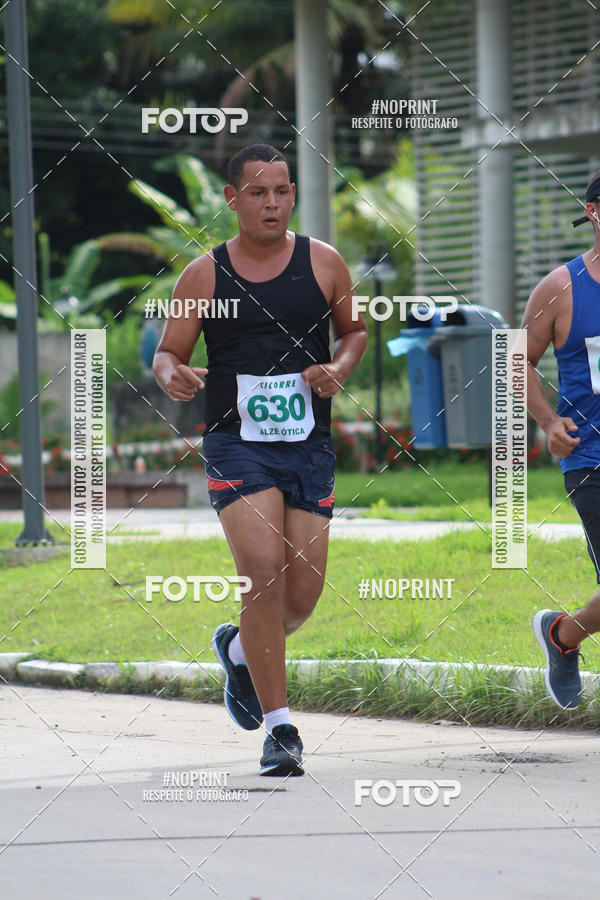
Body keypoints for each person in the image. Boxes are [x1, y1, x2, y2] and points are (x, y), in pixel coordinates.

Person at [153, 144, 368, 774]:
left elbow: (354, 331)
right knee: (263, 571)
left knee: (301, 596)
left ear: (292, 195)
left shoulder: (323, 262)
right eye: (257, 192)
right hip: (234, 440)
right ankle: (280, 731)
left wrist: (341, 367)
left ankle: (241, 654)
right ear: (232, 198)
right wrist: (171, 375)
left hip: (308, 446)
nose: (271, 203)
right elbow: (169, 351)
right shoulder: (205, 275)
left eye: (281, 191)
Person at [524, 171, 600, 709]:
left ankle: (562, 634)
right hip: (592, 458)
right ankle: (562, 636)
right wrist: (549, 422)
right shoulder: (561, 288)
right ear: (594, 212)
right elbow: (515, 361)